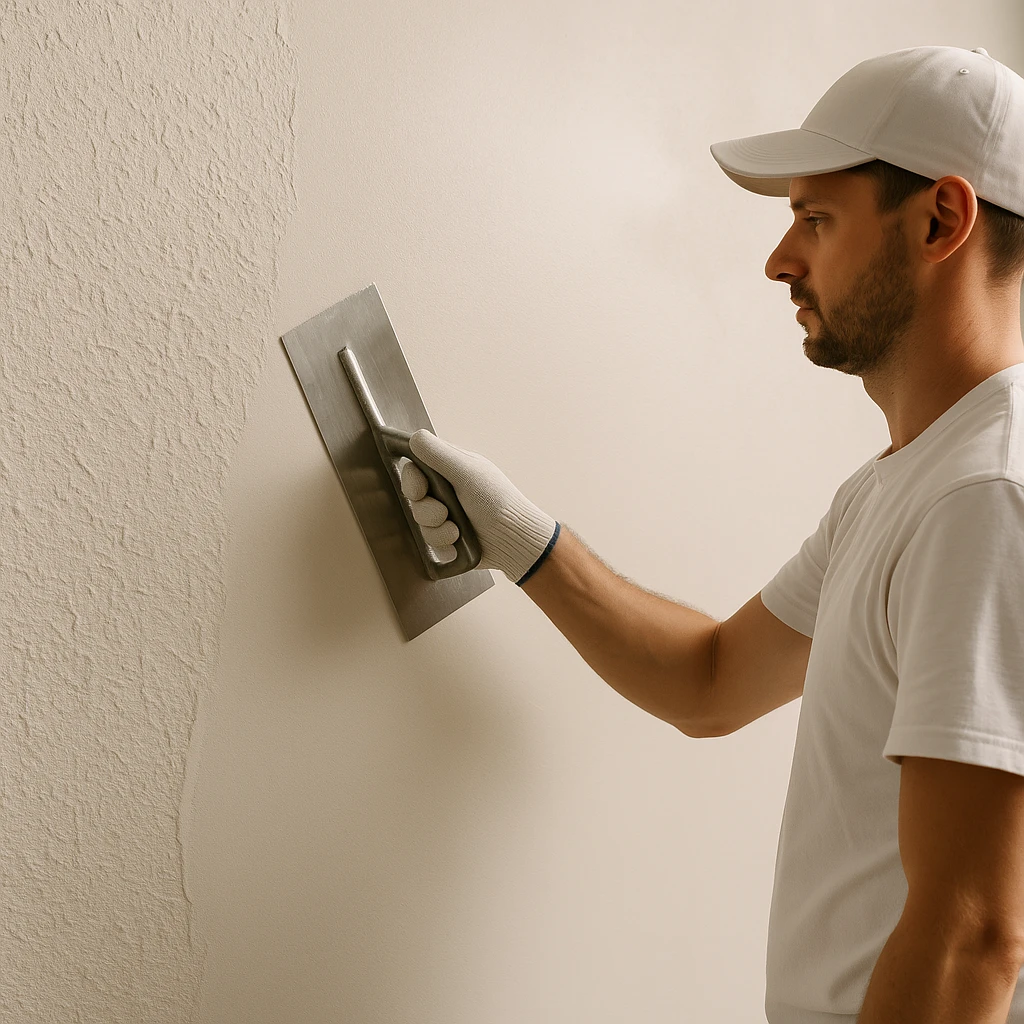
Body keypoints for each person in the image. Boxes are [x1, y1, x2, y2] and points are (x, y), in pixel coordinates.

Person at [402, 45, 1024, 1024]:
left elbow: (972, 933)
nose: (778, 260)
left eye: (815, 218)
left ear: (941, 219)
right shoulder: (901, 488)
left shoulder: (984, 496)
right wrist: (515, 534)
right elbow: (711, 678)